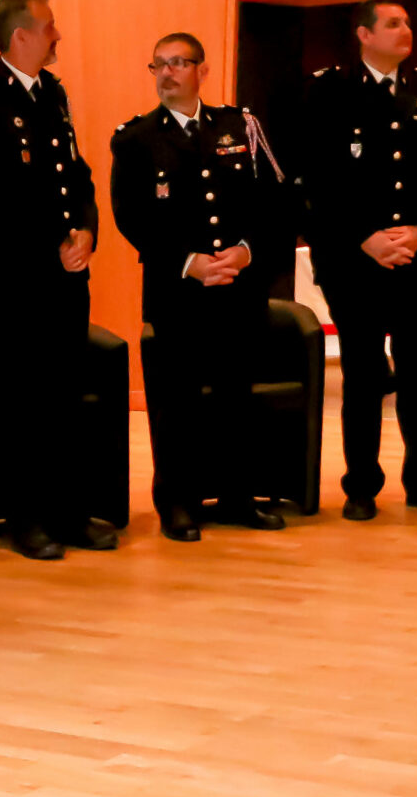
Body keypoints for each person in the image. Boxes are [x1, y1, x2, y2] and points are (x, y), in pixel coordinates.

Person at [107, 30, 287, 541]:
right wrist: (189, 262)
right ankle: (178, 504)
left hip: (238, 288)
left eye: (178, 63)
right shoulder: (136, 138)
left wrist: (247, 251)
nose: (166, 73)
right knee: (177, 405)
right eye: (158, 65)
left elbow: (274, 201)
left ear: (202, 71)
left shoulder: (240, 126)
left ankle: (237, 497)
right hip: (177, 294)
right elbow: (130, 215)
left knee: (236, 399)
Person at [295, 0, 417, 522]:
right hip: (354, 262)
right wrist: (363, 237)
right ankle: (361, 486)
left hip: (415, 256)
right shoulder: (328, 89)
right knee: (364, 374)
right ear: (364, 34)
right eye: (393, 23)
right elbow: (314, 178)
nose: (405, 30)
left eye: (408, 22)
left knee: (415, 375)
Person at [0, 0, 110, 558]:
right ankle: (27, 520)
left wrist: (86, 231)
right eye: (49, 27)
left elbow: (75, 174)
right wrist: (54, 246)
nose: (56, 35)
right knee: (23, 402)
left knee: (65, 397)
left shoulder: (53, 93)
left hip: (67, 276)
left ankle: (70, 513)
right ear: (20, 36)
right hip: (18, 279)